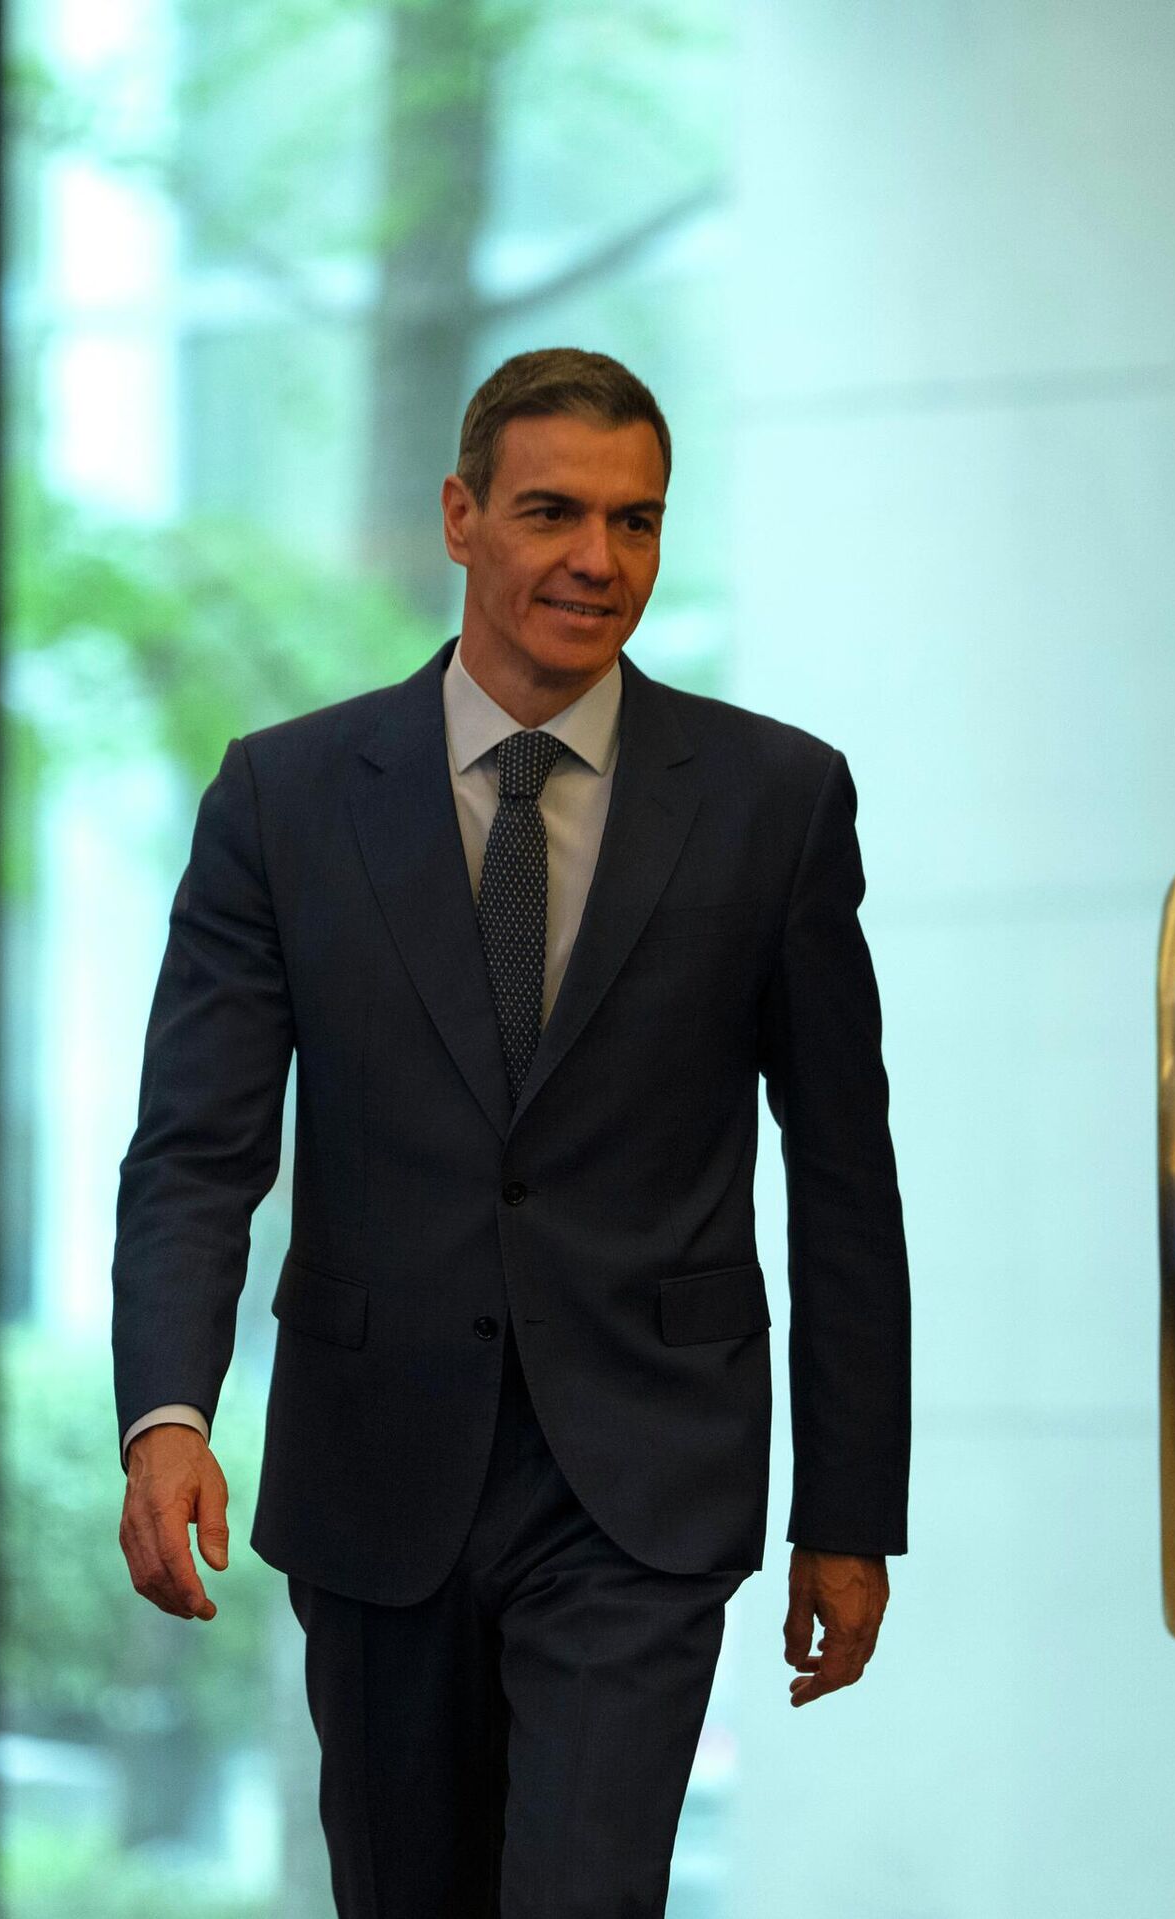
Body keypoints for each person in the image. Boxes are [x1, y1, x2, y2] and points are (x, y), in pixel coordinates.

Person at [111, 345, 912, 1916]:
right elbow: (197, 1148)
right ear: (460, 516)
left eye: (636, 520)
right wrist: (168, 1414)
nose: (597, 559)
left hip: (644, 1483)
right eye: (553, 512)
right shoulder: (283, 800)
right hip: (376, 1468)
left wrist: (847, 1509)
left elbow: (843, 1180)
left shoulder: (776, 801)